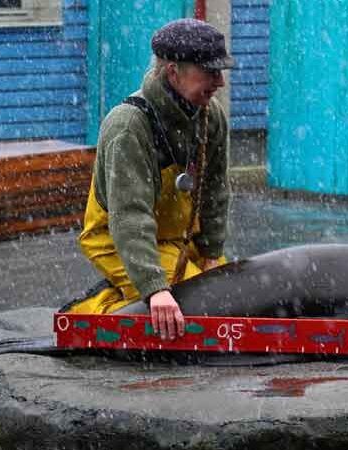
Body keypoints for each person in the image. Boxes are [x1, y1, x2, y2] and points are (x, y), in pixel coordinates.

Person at [63, 19, 233, 341]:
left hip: (179, 239)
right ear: (173, 72)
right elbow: (129, 217)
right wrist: (155, 290)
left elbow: (214, 192)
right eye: (210, 72)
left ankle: (144, 289)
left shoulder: (211, 117)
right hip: (118, 237)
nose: (220, 82)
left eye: (221, 71)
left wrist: (211, 253)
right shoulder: (129, 126)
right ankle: (86, 313)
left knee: (230, 294)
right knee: (198, 308)